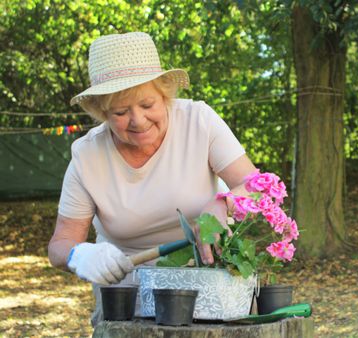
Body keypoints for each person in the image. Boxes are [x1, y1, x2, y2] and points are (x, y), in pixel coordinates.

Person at [47, 32, 256, 326]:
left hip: (207, 278)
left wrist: (223, 203)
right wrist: (78, 255)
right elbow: (59, 243)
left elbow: (257, 187)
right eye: (120, 111)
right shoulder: (87, 156)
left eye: (147, 105)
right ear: (102, 112)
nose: (138, 120)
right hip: (127, 290)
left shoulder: (199, 121)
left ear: (165, 94)